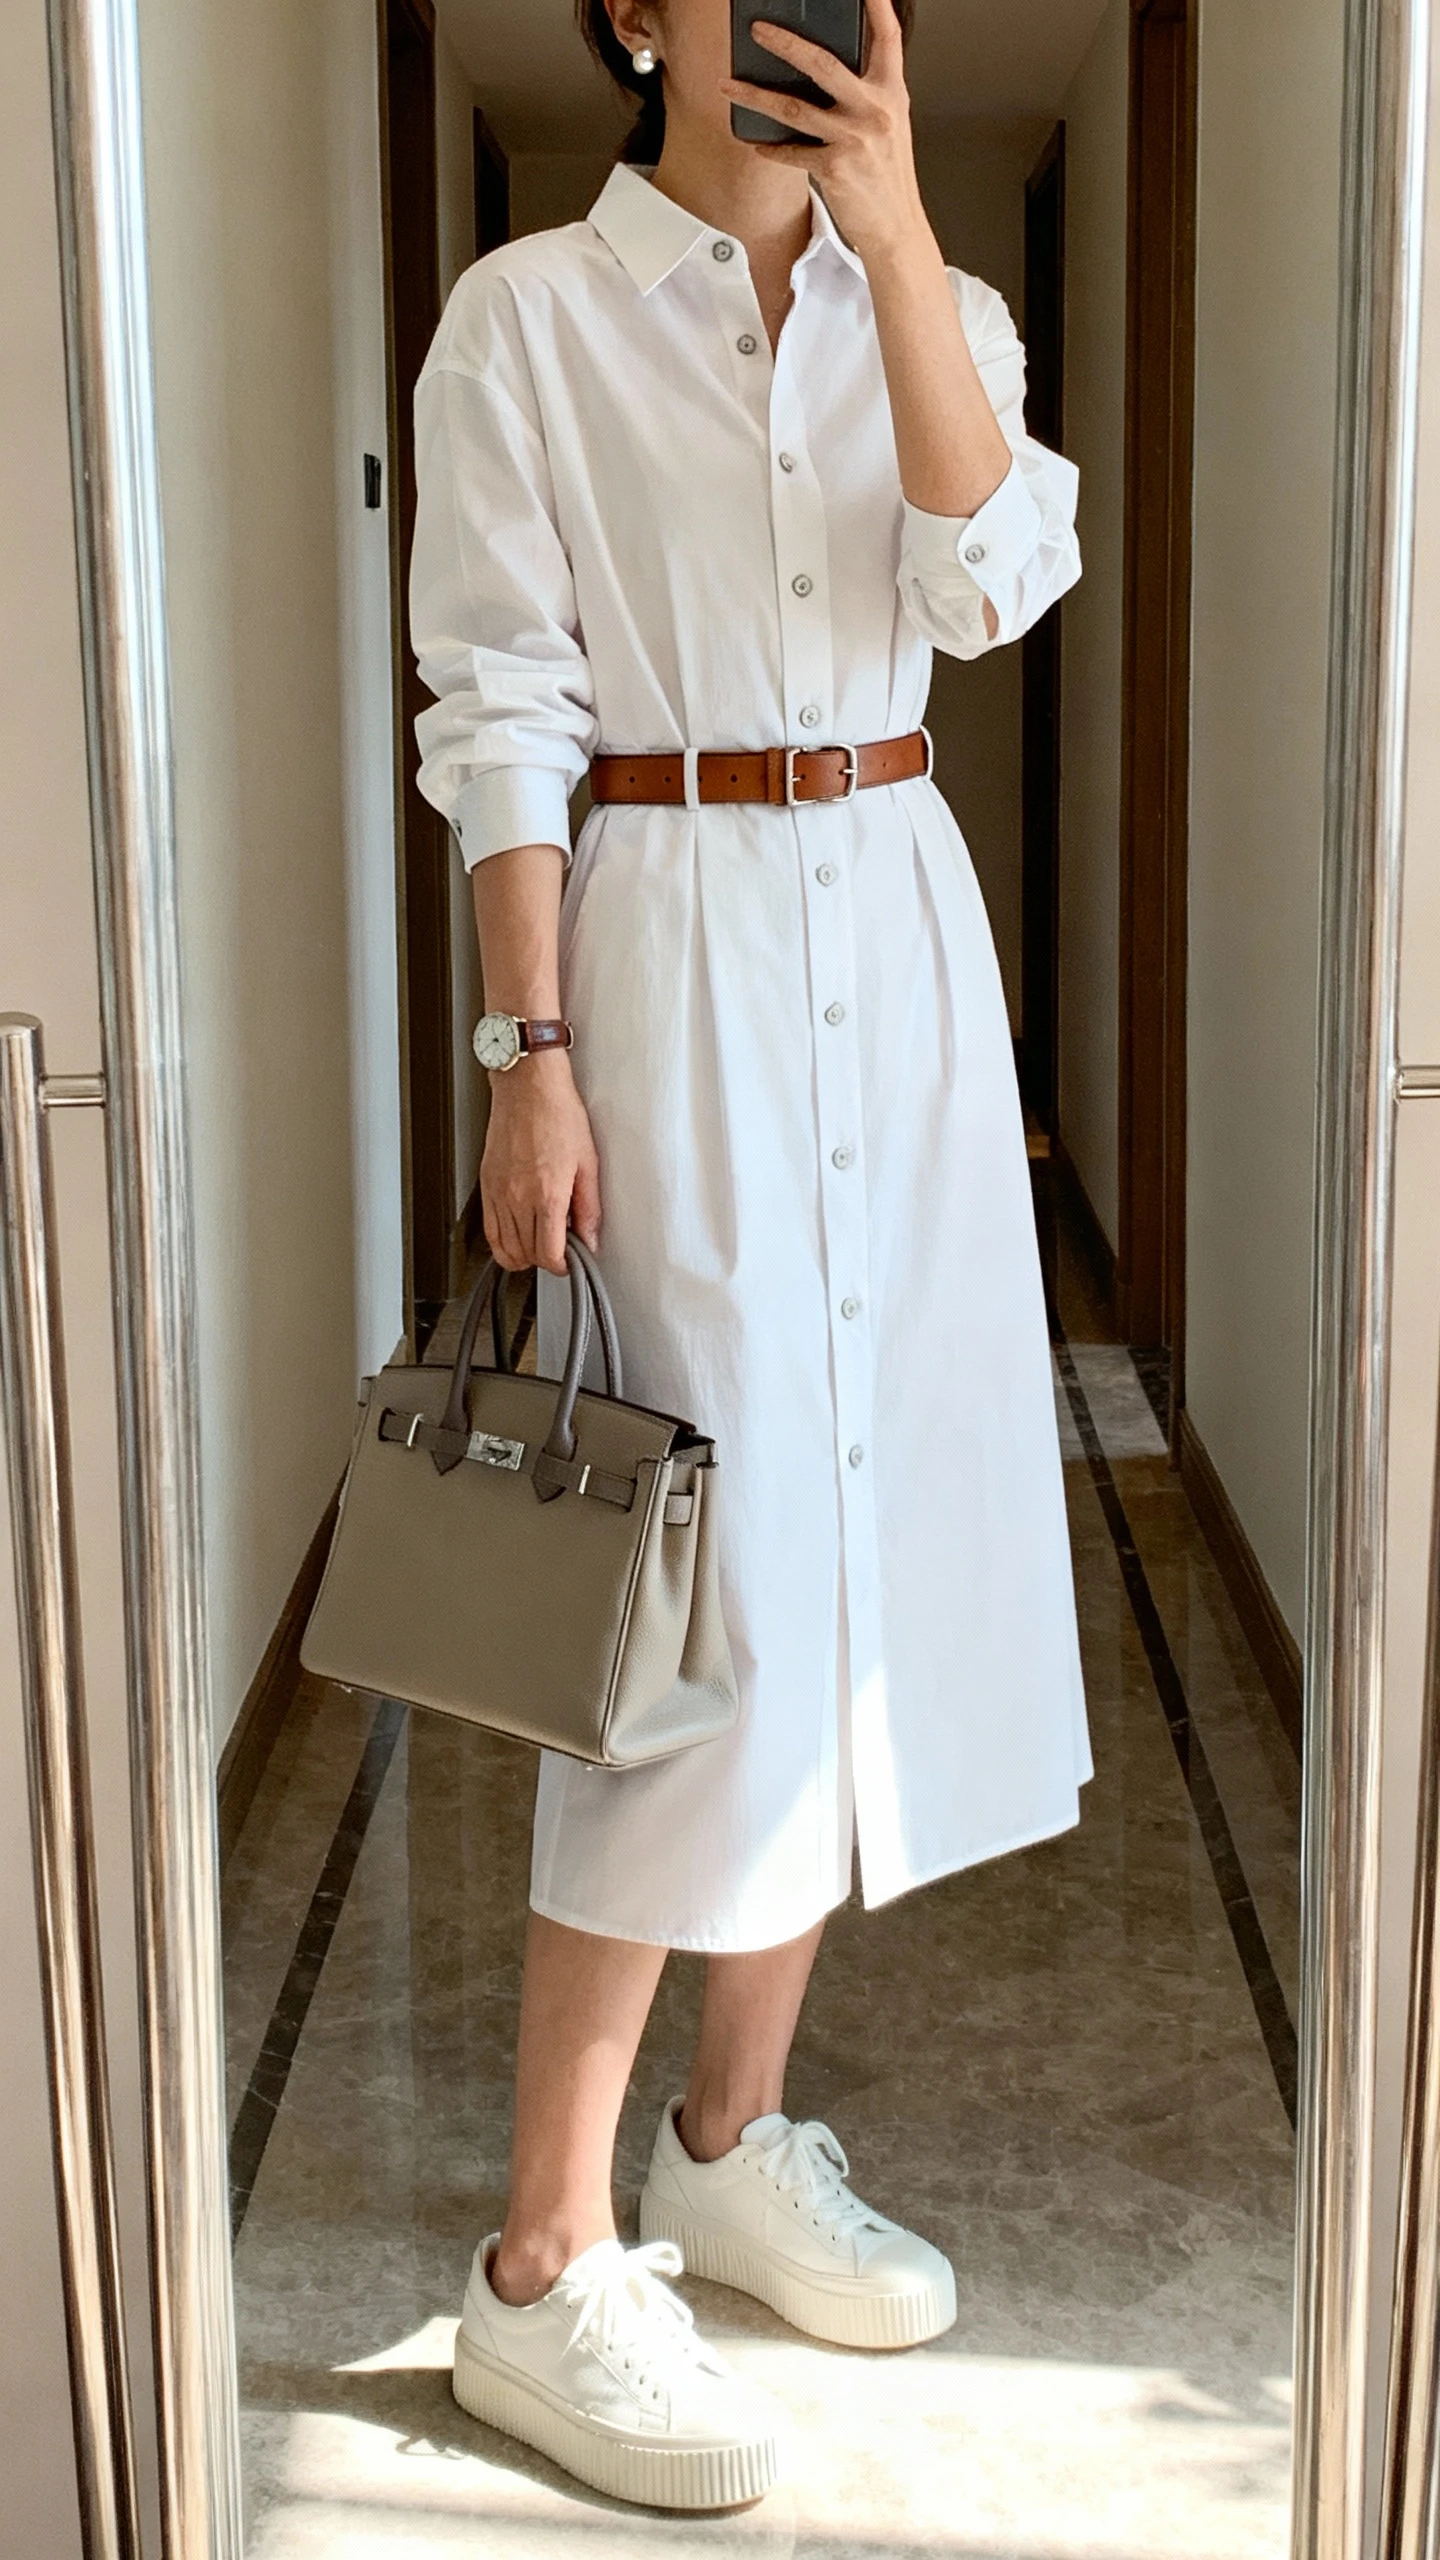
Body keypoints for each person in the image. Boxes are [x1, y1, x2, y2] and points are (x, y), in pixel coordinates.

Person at [409, 0, 1090, 2511]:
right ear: (635, 13)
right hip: (668, 949)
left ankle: (725, 2137)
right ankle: (544, 2258)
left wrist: (901, 246)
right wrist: (531, 1050)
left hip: (891, 940)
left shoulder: (947, 303)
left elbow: (993, 581)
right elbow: (502, 695)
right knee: (679, 1593)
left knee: (851, 1562)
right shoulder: (529, 318)